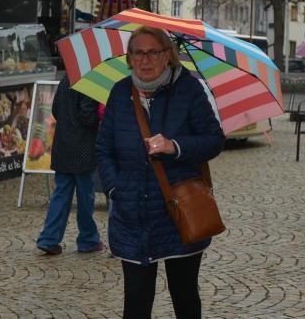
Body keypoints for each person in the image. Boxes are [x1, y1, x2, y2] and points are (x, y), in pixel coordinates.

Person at [97, 25, 225, 319]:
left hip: (179, 213)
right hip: (132, 215)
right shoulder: (120, 93)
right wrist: (116, 189)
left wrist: (174, 146)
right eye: (137, 53)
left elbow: (214, 140)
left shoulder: (189, 90)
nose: (145, 60)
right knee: (136, 302)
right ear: (129, 58)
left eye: (152, 52)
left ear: (167, 55)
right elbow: (103, 149)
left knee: (184, 295)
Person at [36, 74, 104, 255]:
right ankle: (88, 239)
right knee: (85, 196)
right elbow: (88, 117)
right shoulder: (90, 82)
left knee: (61, 195)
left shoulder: (66, 79)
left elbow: (56, 110)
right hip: (82, 148)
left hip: (63, 145)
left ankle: (48, 239)